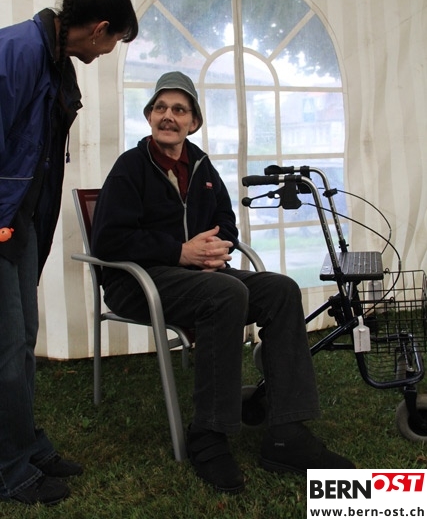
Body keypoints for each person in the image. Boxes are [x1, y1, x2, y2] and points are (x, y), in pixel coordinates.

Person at [91, 71, 355, 494]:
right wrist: (180, 251)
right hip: (138, 282)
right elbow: (107, 239)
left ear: (194, 122)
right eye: (161, 108)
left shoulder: (202, 166)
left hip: (201, 276)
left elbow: (226, 223)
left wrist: (216, 249)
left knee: (282, 290)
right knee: (226, 293)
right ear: (149, 116)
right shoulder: (130, 167)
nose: (169, 116)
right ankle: (208, 436)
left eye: (179, 110)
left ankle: (287, 434)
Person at [0, 0, 138, 506]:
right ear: (99, 29)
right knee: (5, 349)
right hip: (3, 221)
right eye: (114, 41)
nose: (107, 52)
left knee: (22, 342)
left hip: (22, 221)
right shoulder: (17, 52)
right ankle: (8, 469)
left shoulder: (55, 59)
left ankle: (24, 445)